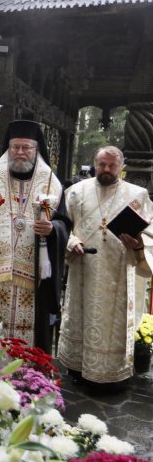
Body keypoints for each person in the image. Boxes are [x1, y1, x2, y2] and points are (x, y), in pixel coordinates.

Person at [0, 120, 70, 352]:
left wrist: (52, 229)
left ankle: (30, 371)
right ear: (8, 148)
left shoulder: (51, 185)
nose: (20, 152)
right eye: (15, 147)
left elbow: (64, 224)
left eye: (26, 147)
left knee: (32, 339)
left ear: (36, 150)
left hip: (35, 277)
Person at [58, 145, 153, 387]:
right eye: (102, 164)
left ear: (121, 167)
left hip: (117, 274)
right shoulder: (75, 192)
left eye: (112, 165)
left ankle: (111, 375)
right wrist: (71, 242)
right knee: (80, 316)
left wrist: (138, 244)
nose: (107, 169)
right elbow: (62, 226)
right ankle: (77, 368)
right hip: (84, 269)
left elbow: (149, 234)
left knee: (112, 325)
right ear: (95, 164)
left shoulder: (138, 195)